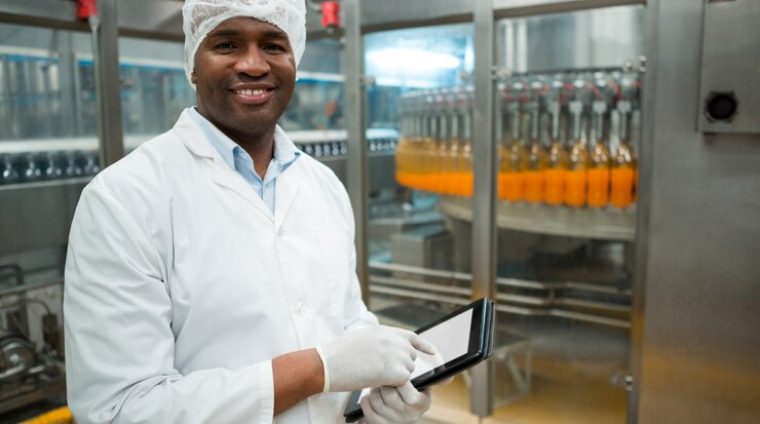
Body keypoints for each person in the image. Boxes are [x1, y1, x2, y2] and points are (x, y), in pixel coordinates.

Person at [63, 0, 438, 423]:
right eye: (227, 44)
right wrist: (318, 369)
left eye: (274, 45)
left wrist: (383, 389)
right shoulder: (123, 200)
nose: (254, 65)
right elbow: (121, 409)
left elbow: (349, 323)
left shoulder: (323, 186)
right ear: (192, 62)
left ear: (295, 58)